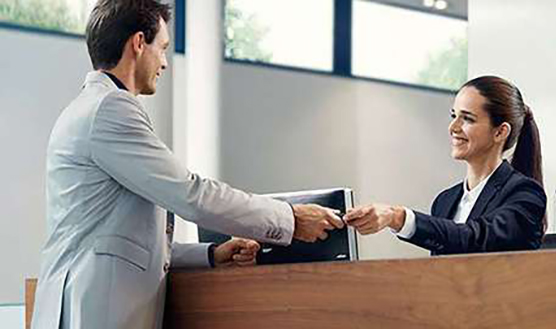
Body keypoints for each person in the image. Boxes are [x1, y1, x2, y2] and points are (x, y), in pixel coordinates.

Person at [31, 1, 344, 328]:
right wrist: (289, 219)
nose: (164, 63)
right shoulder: (111, 109)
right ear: (139, 43)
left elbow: (118, 241)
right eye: (162, 48)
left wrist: (210, 254)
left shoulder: (86, 108)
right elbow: (192, 194)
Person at [344, 75, 546, 255]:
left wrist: (397, 217)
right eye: (453, 116)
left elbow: (474, 239)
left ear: (500, 132)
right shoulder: (445, 201)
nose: (453, 127)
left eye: (467, 119)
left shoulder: (525, 194)